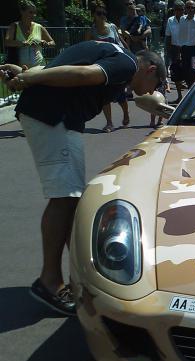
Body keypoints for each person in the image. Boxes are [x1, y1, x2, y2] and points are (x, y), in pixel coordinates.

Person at [0, 42, 165, 316]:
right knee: (65, 198)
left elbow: (60, 70)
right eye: (156, 82)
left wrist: (29, 74)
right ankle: (49, 282)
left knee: (71, 200)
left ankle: (83, 277)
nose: (154, 90)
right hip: (55, 118)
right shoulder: (126, 64)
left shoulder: (114, 57)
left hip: (52, 115)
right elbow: (80, 75)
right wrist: (31, 78)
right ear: (149, 68)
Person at [86, 1, 130, 132]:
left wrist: (130, 55)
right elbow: (87, 50)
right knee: (105, 96)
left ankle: (126, 113)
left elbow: (121, 42)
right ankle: (109, 123)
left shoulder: (112, 27)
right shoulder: (91, 31)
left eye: (104, 13)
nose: (102, 16)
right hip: (102, 67)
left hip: (116, 64)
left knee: (120, 94)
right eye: (99, 13)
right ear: (93, 15)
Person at [4, 0, 55, 69]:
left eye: (35, 13)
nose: (34, 15)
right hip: (19, 68)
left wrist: (44, 43)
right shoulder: (14, 26)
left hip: (39, 66)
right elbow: (7, 42)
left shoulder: (39, 27)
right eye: (31, 12)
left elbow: (53, 43)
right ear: (22, 12)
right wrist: (23, 43)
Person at [174, 0, 195, 99]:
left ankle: (194, 94)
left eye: (192, 7)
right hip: (184, 49)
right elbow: (180, 34)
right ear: (185, 9)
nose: (190, 9)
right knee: (185, 72)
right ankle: (190, 91)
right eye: (188, 7)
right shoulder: (182, 19)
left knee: (194, 72)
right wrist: (179, 48)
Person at [164, 1, 185, 95]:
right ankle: (179, 95)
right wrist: (167, 51)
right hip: (174, 48)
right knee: (176, 73)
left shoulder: (188, 19)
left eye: (182, 9)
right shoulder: (170, 20)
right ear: (174, 10)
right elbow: (168, 36)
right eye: (177, 9)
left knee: (189, 72)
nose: (180, 11)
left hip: (187, 48)